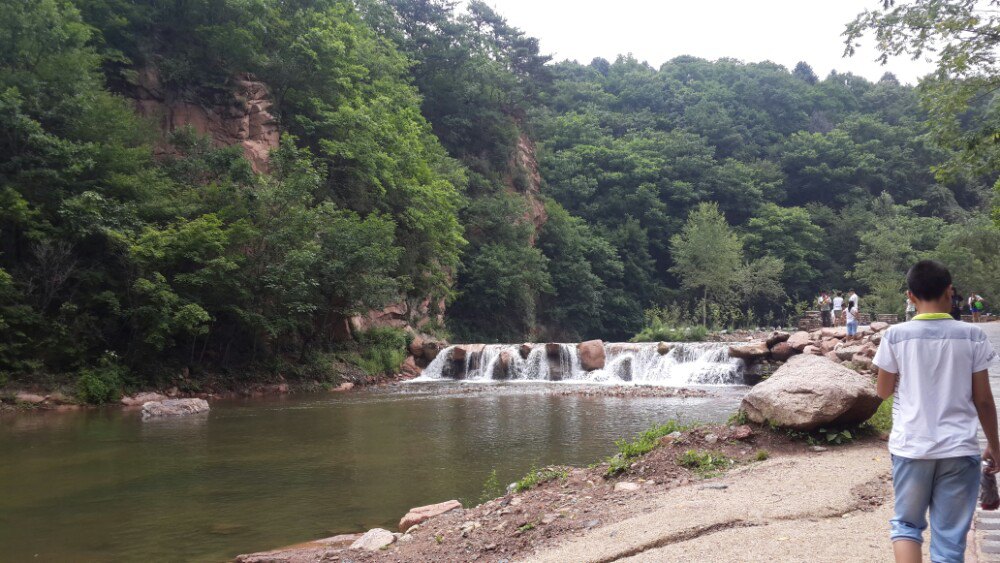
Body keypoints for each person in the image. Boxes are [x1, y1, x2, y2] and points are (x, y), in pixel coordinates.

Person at [873, 260, 999, 563]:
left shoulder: (895, 336)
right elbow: (983, 400)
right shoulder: (972, 336)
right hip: (958, 448)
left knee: (906, 525)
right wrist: (995, 446)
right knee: (949, 540)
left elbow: (882, 391)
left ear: (910, 296)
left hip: (911, 447)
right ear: (950, 291)